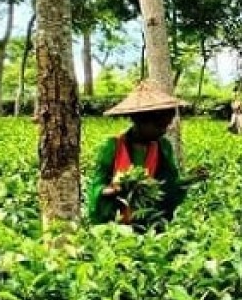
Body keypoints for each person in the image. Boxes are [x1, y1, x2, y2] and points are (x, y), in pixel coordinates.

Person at [88, 82, 206, 227]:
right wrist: (111, 190)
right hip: (115, 223)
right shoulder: (112, 146)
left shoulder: (163, 146)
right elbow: (97, 186)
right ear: (139, 121)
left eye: (166, 125)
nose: (163, 131)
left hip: (148, 221)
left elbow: (168, 185)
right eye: (159, 126)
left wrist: (189, 179)